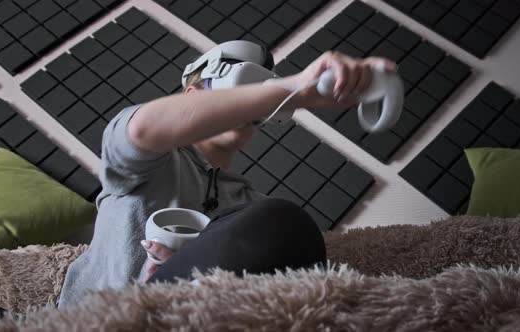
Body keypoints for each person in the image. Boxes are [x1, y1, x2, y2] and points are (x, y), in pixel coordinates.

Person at [58, 40, 397, 306]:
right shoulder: (146, 165)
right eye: (236, 94)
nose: (250, 107)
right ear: (193, 96)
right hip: (99, 320)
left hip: (182, 315)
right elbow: (143, 130)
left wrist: (194, 268)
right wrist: (295, 88)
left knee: (287, 227)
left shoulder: (252, 210)